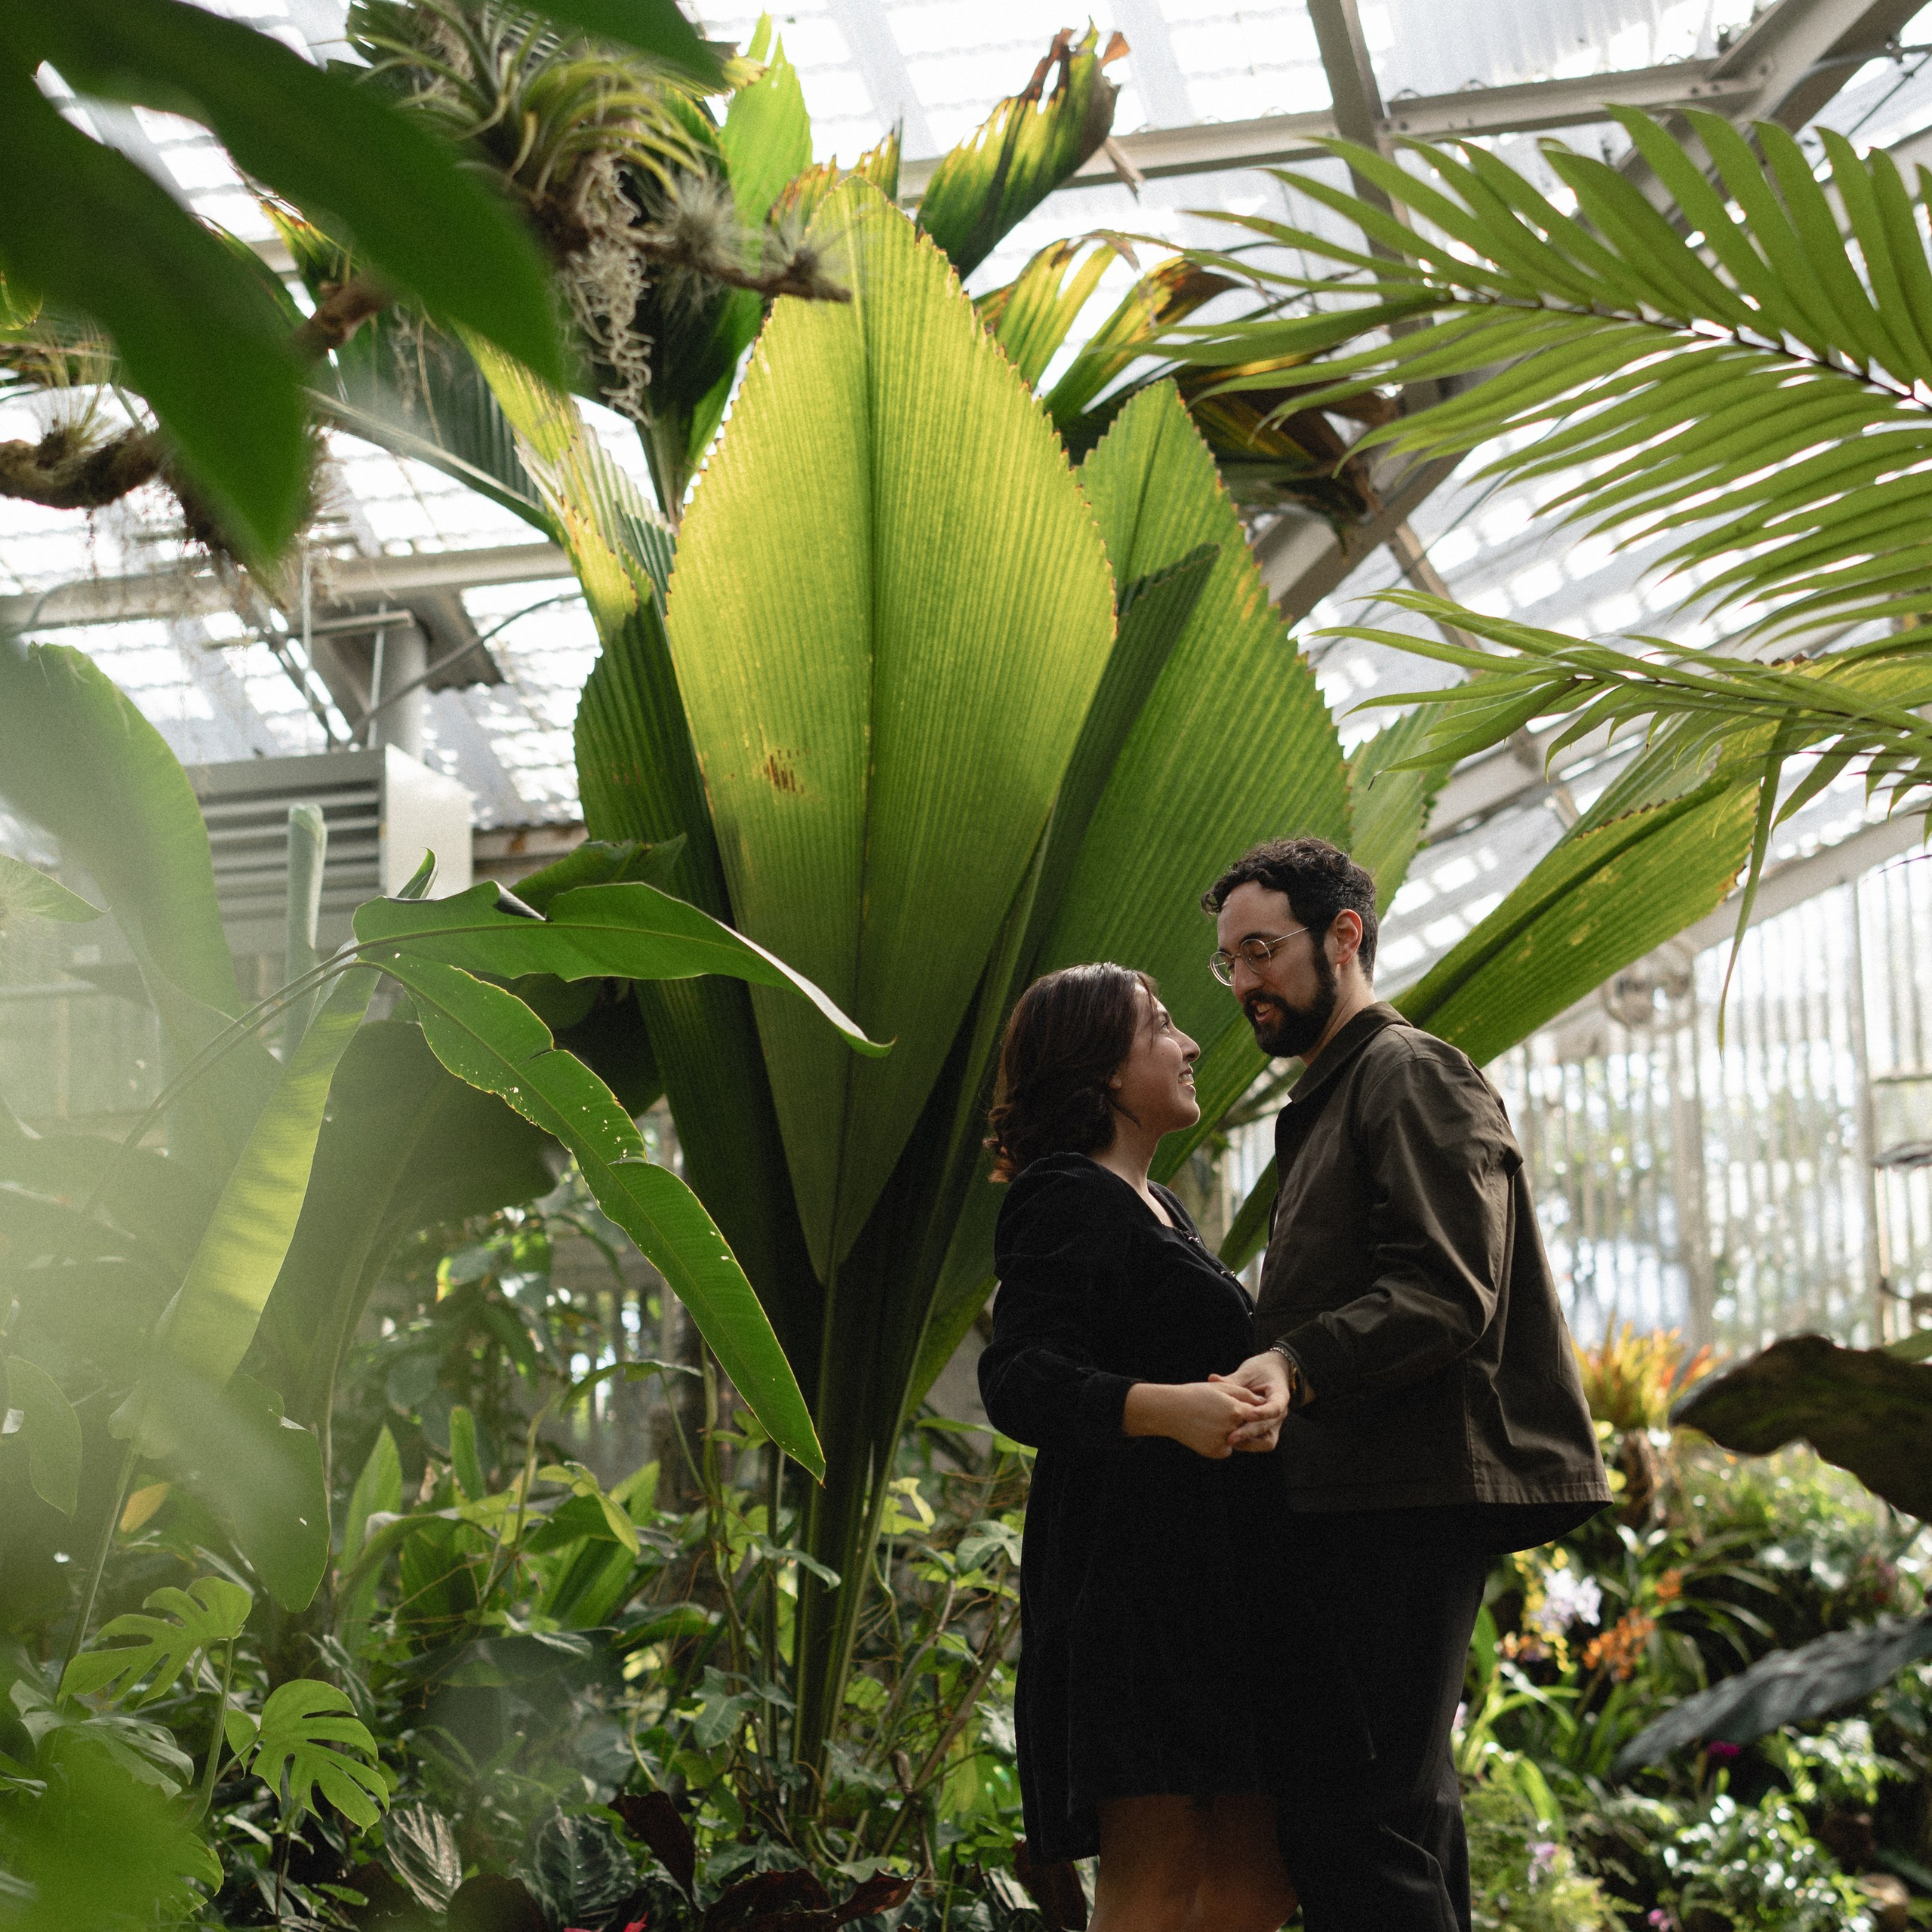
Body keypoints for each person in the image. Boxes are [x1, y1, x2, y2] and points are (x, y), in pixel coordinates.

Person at [1204, 837, 1611, 1932]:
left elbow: (1447, 1289)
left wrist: (1293, 1362)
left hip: (1402, 1499)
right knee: (1397, 1822)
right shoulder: (1338, 1094)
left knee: (1355, 1827)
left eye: (1261, 950)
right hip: (1366, 1497)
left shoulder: (1406, 1072)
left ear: (1345, 936)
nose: (1244, 981)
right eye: (1228, 962)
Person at [977, 962, 1370, 1932]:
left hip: (1214, 1585)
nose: (1192, 1042)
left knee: (1253, 1885)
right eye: (1160, 1027)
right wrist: (1166, 1409)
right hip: (1133, 1589)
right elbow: (1018, 1374)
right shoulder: (1062, 1195)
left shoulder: (1161, 1208)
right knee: (1153, 1878)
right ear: (1105, 1070)